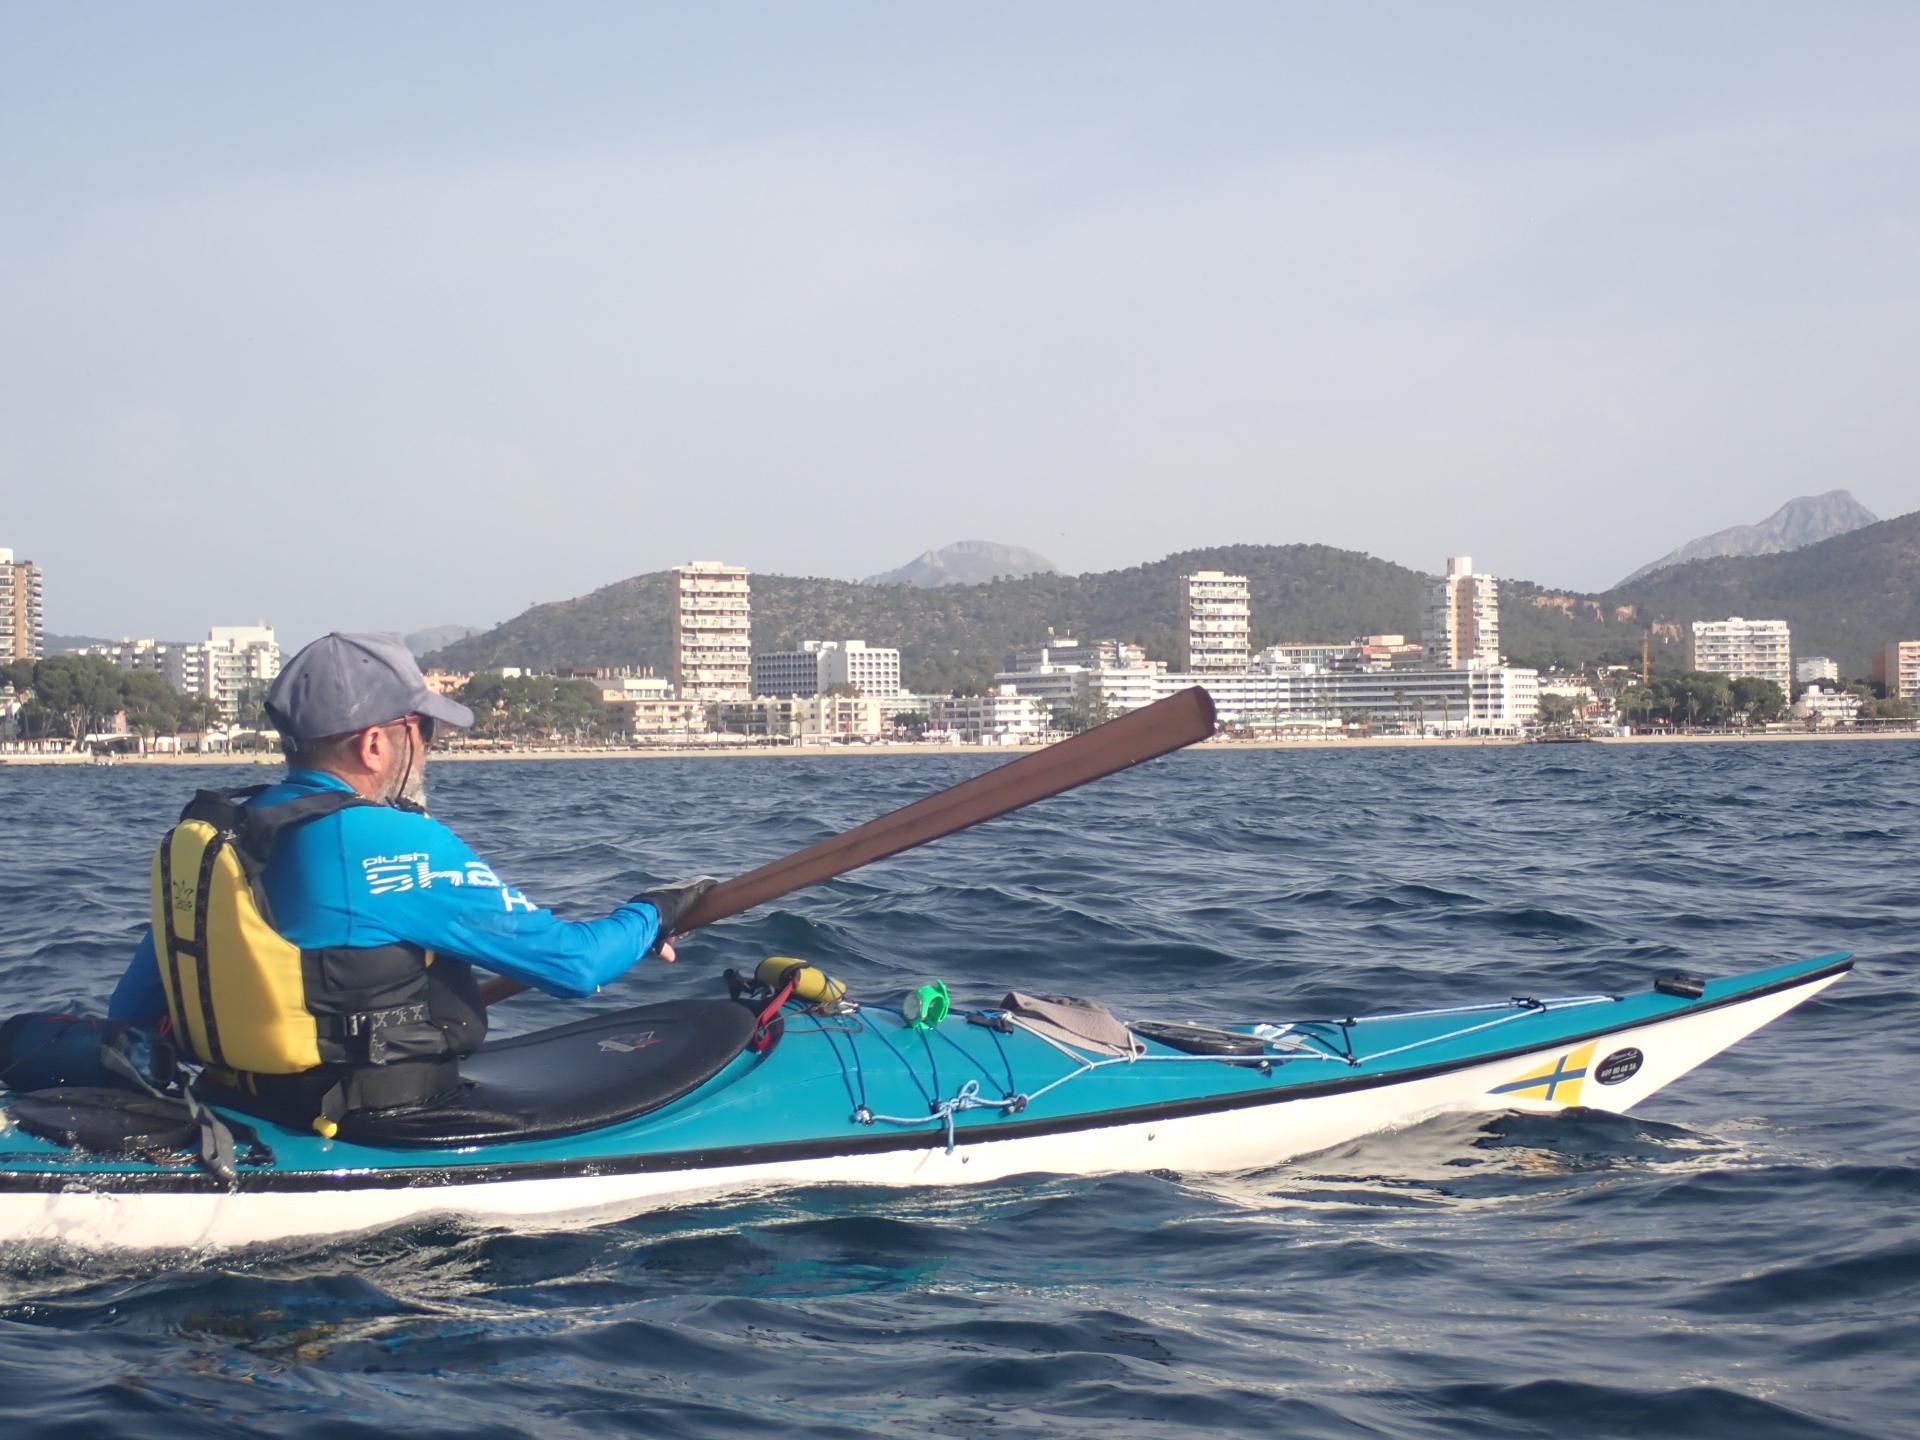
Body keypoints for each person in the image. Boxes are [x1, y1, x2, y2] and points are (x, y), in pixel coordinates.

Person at [108, 632, 710, 1132]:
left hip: (237, 1105)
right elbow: (574, 964)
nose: (427, 751)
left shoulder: (220, 841)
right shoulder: (387, 839)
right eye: (424, 731)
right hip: (374, 1121)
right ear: (375, 744)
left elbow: (131, 1011)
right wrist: (654, 913)